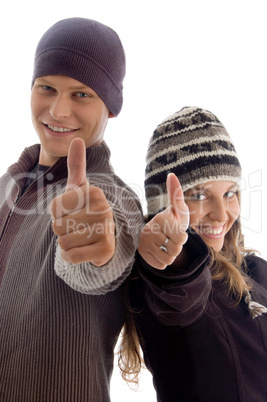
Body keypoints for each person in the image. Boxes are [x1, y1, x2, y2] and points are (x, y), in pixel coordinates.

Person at [0, 18, 143, 401]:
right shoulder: (6, 187)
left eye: (81, 94)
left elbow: (100, 260)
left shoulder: (114, 197)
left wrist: (97, 249)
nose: (59, 110)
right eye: (47, 88)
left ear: (110, 108)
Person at [119, 106, 267, 401]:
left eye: (229, 193)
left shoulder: (256, 269)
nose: (222, 214)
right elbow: (179, 289)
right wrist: (172, 255)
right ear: (164, 206)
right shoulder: (164, 274)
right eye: (199, 195)